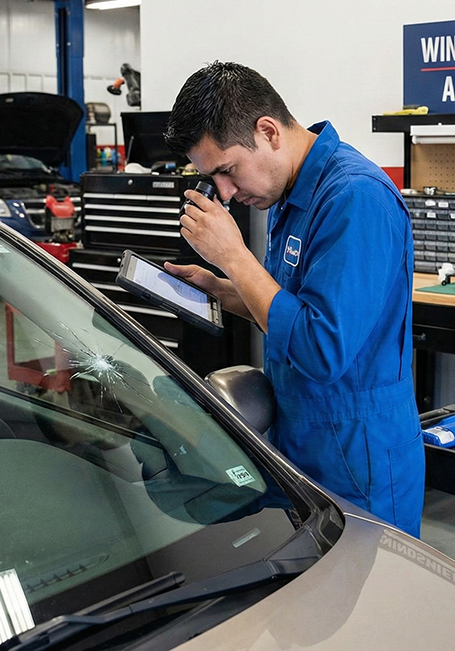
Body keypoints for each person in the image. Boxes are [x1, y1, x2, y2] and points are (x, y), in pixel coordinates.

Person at [163, 61, 424, 537]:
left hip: (357, 454)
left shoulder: (354, 199)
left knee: (370, 604)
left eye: (226, 171)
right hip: (304, 439)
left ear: (268, 132)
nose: (224, 192)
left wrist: (235, 259)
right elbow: (291, 309)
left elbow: (320, 350)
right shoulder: (289, 192)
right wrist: (223, 289)